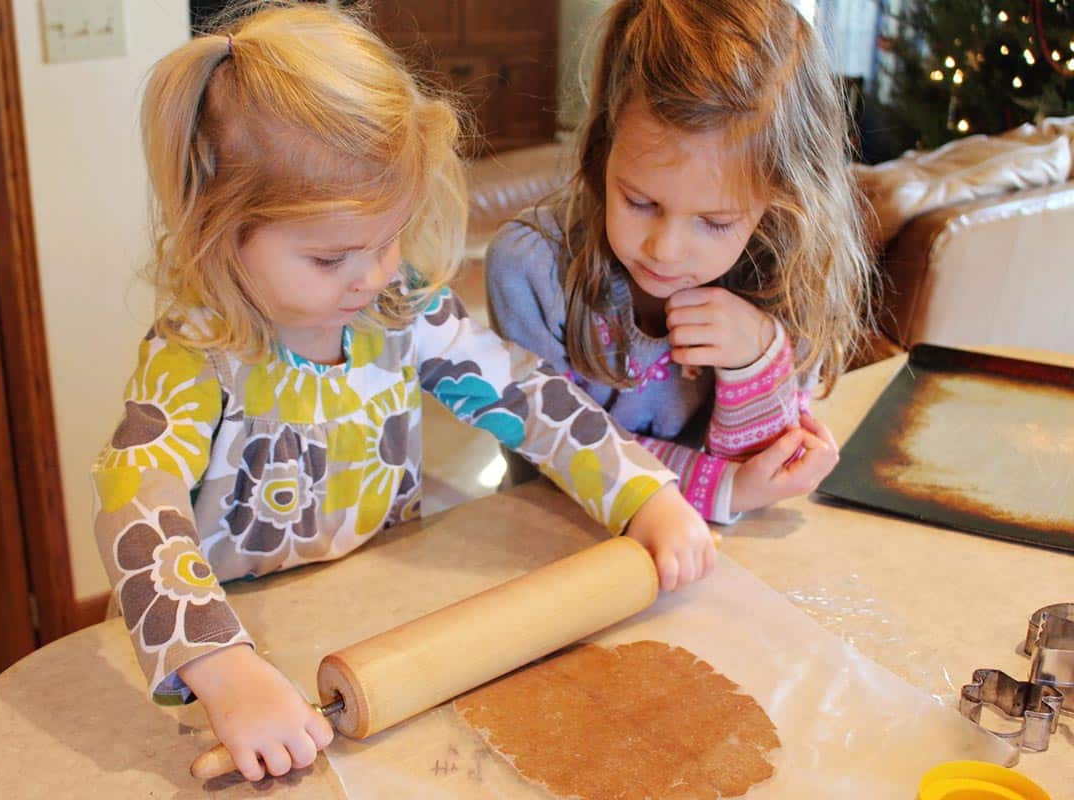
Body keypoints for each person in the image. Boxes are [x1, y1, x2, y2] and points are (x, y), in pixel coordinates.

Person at [92, 3, 715, 782]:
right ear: (217, 229)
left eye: (390, 238)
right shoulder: (194, 354)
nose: (378, 272)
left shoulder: (398, 310)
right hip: (234, 658)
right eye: (332, 257)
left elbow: (524, 396)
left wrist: (642, 494)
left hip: (371, 630)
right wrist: (222, 667)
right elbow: (134, 499)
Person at [486, 0, 875, 524]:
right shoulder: (531, 270)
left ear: (777, 200)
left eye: (715, 222)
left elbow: (763, 470)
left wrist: (757, 361)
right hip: (558, 542)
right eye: (640, 202)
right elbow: (554, 460)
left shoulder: (784, 268)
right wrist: (724, 491)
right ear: (604, 146)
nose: (665, 250)